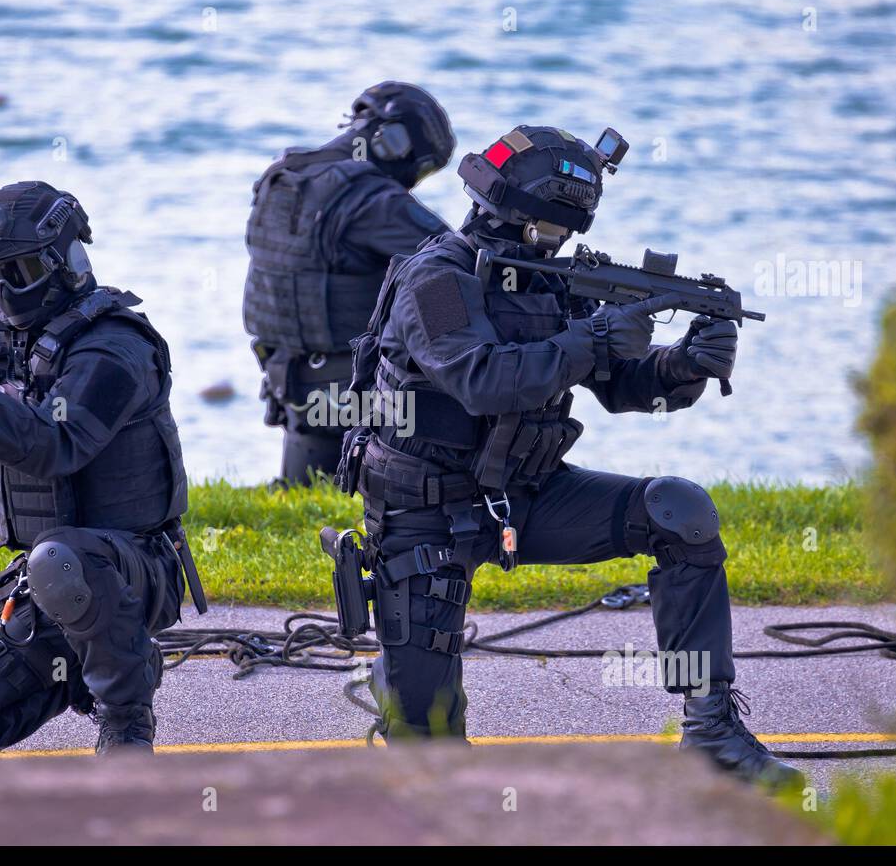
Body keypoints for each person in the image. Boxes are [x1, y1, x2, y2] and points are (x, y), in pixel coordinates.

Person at [340, 125, 802, 787]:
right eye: (553, 231)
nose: (562, 243)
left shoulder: (555, 282)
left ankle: (710, 729)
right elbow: (482, 380)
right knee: (435, 766)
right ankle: (400, 679)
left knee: (680, 514)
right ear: (522, 216)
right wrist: (590, 339)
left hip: (526, 494)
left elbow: (624, 386)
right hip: (425, 513)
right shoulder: (435, 279)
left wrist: (684, 367)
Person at [0, 180, 202, 756]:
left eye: (21, 271)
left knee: (60, 557)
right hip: (43, 587)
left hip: (131, 569)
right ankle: (85, 664)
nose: (6, 292)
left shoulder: (113, 348)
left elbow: (54, 445)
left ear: (66, 261)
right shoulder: (2, 341)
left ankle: (126, 722)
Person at [243, 81, 455, 485]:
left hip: (290, 384)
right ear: (392, 142)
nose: (415, 180)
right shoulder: (371, 198)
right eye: (423, 166)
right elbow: (455, 264)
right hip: (358, 399)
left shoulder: (284, 174)